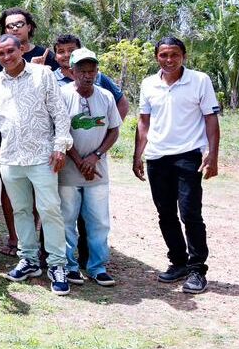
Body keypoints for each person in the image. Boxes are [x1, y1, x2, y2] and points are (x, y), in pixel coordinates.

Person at [0, 35, 74, 295]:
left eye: (11, 51)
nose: (7, 57)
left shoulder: (43, 75)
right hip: (10, 158)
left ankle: (57, 265)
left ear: (21, 49)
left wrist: (59, 147)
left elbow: (59, 113)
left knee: (50, 210)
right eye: (1, 54)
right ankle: (29, 259)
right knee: (21, 210)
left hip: (43, 156)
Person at [133, 37, 220, 295]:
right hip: (157, 157)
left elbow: (211, 120)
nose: (169, 60)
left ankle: (196, 269)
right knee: (165, 213)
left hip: (188, 156)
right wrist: (137, 155)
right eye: (163, 55)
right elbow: (143, 122)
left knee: (190, 213)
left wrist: (212, 155)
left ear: (183, 55)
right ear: (156, 57)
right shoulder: (149, 84)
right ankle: (178, 262)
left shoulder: (200, 80)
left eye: (174, 55)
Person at [59, 48, 122, 287]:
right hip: (68, 170)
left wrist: (95, 157)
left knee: (98, 221)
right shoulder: (62, 95)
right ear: (72, 71)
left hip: (97, 170)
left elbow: (114, 129)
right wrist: (79, 160)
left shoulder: (105, 96)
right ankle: (69, 266)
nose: (87, 75)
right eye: (82, 71)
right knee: (67, 220)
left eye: (92, 70)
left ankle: (97, 266)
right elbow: (60, 132)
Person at [53, 34, 130, 120]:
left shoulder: (98, 76)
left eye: (71, 50)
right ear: (55, 57)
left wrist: (113, 128)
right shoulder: (51, 79)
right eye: (61, 51)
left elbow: (122, 103)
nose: (66, 55)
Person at [0, 7, 59, 81]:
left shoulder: (45, 55)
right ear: (5, 30)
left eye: (20, 24)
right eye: (10, 26)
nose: (15, 28)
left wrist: (42, 73)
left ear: (29, 27)